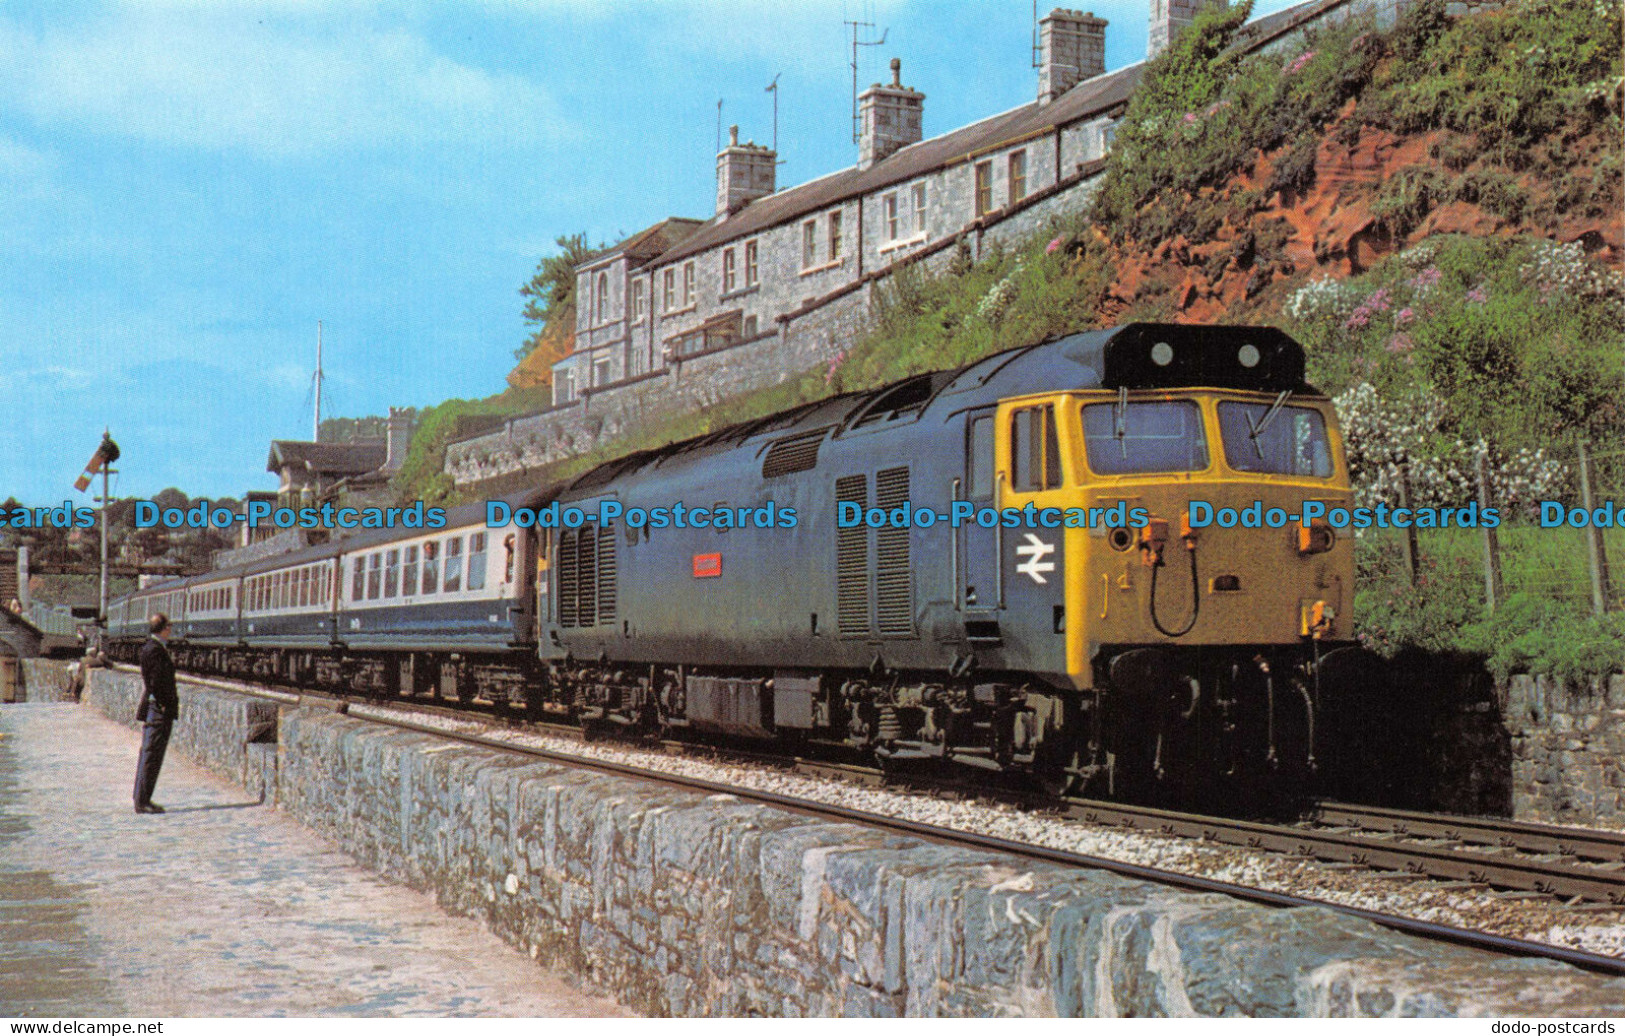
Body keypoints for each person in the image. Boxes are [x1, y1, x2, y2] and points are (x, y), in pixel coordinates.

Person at [133, 613, 179, 814]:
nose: (171, 630)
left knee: (149, 754)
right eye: (169, 626)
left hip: (156, 707)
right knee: (151, 755)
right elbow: (156, 682)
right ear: (163, 628)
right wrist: (163, 705)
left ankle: (141, 797)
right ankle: (143, 801)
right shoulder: (155, 650)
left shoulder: (152, 648)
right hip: (158, 709)